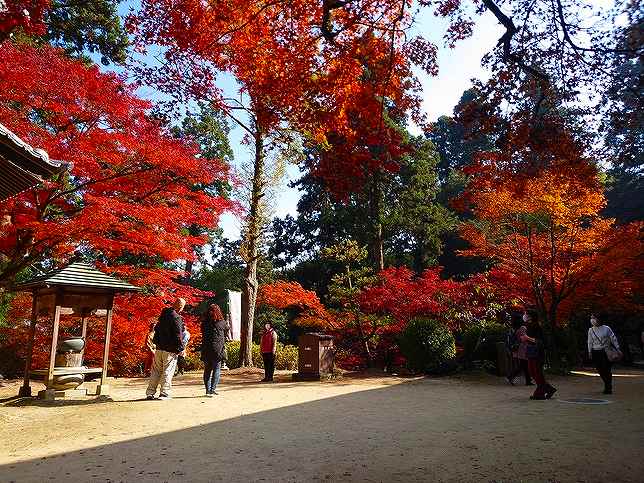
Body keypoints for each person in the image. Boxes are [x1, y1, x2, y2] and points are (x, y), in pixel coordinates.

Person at [146, 298, 186, 400]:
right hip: (170, 350)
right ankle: (164, 393)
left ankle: (150, 393)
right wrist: (181, 348)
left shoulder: (163, 316)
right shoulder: (176, 318)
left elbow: (157, 330)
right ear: (181, 307)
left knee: (155, 371)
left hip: (159, 348)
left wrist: (156, 343)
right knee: (168, 371)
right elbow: (178, 335)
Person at [521, 310, 556, 400]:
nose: (524, 315)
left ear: (530, 316)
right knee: (532, 371)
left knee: (537, 372)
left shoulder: (536, 326)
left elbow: (539, 340)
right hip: (531, 351)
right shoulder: (528, 326)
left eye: (526, 314)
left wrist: (527, 338)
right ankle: (548, 389)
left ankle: (540, 393)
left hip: (537, 352)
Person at [587, 313, 620, 395]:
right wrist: (589, 351)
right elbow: (590, 341)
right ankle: (607, 383)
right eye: (591, 318)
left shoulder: (606, 328)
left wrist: (617, 348)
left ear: (599, 319)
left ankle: (608, 387)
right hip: (596, 351)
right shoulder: (591, 330)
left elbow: (613, 338)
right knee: (600, 369)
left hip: (606, 351)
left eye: (594, 318)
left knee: (607, 369)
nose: (592, 320)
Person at [201, 304, 228, 396]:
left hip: (206, 348)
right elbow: (227, 329)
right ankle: (212, 389)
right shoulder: (222, 323)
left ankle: (207, 390)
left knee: (207, 370)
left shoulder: (204, 323)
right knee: (216, 369)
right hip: (217, 349)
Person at [506, 313, 533, 386]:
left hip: (518, 348)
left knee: (524, 365)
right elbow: (524, 338)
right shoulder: (523, 328)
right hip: (523, 348)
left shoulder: (513, 329)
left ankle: (528, 380)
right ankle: (511, 376)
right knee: (523, 365)